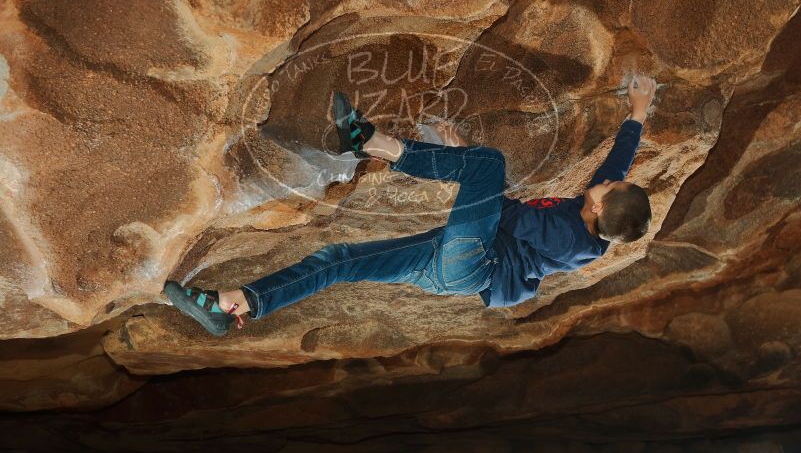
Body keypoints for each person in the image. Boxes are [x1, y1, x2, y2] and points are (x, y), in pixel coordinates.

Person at [163, 75, 657, 337]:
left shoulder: (567, 238)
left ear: (595, 212)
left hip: (476, 262)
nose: (605, 184)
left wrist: (464, 156)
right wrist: (638, 112)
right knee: (336, 262)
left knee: (488, 165)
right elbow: (616, 166)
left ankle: (368, 141)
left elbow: (499, 209)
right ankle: (235, 304)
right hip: (454, 268)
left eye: (604, 190)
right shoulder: (599, 221)